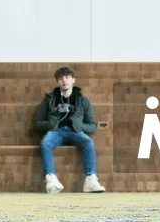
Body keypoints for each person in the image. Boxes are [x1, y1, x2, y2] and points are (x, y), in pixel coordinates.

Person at [34, 66, 106, 194]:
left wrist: (79, 127)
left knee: (88, 142)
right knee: (45, 143)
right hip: (56, 132)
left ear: (73, 80)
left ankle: (91, 179)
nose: (64, 80)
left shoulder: (83, 101)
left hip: (75, 132)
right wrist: (50, 124)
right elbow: (37, 124)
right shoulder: (49, 100)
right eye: (61, 78)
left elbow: (92, 126)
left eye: (67, 77)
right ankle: (50, 179)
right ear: (58, 82)